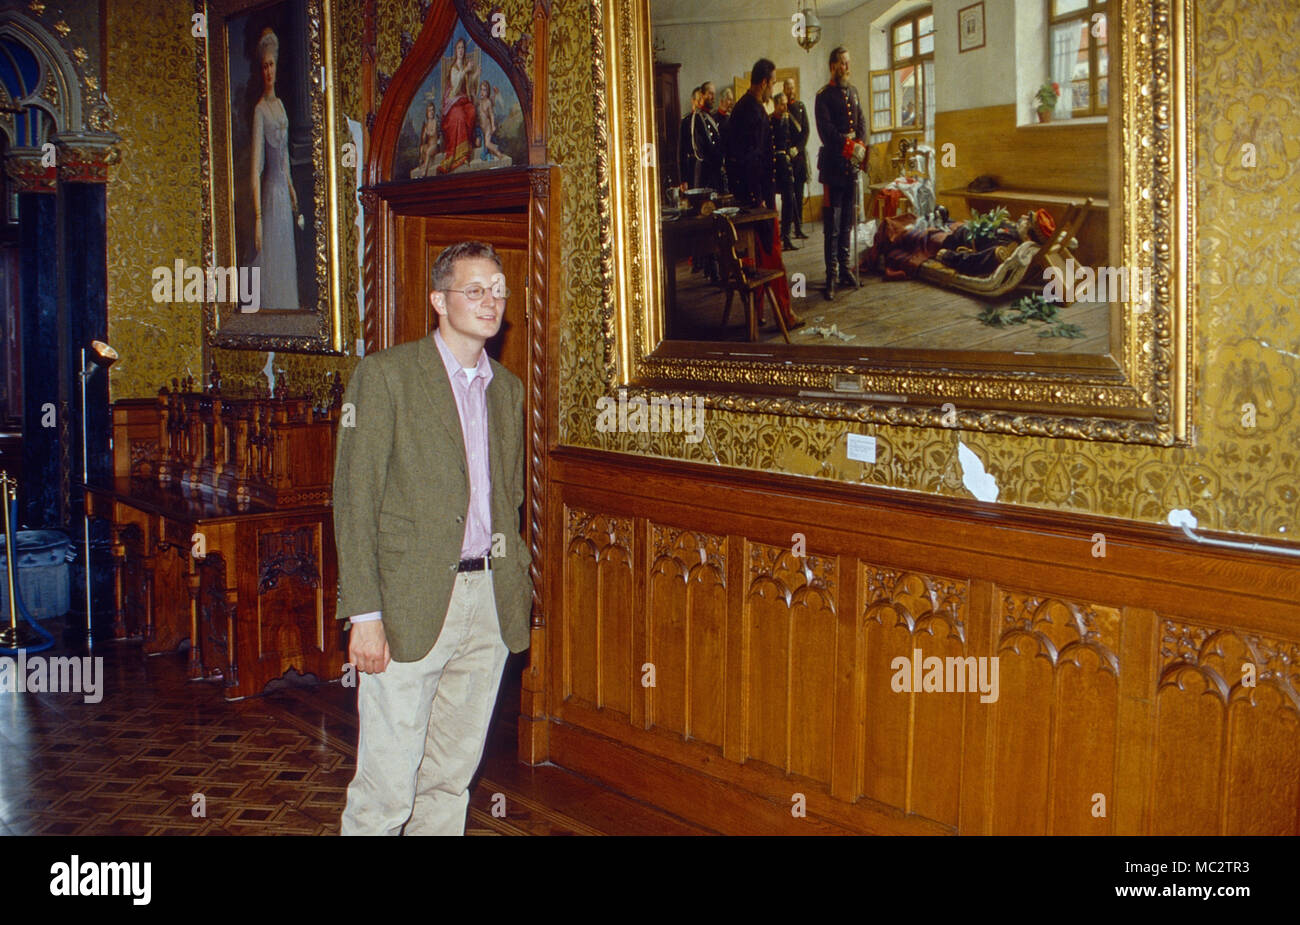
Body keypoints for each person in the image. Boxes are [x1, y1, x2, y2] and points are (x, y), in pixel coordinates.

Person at [334, 240, 533, 836]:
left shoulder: (509, 390)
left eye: (498, 290)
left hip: (488, 604)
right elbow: (354, 501)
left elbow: (511, 502)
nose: (491, 301)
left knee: (449, 780)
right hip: (407, 603)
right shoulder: (387, 376)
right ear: (438, 301)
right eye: (475, 290)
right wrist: (363, 614)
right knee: (387, 788)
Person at [250, 27, 300, 310]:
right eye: (264, 66)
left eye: (272, 65)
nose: (269, 71)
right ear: (261, 70)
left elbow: (284, 159)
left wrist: (292, 190)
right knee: (271, 257)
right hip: (269, 194)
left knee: (285, 257)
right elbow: (257, 168)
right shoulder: (260, 110)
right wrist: (257, 217)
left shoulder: (280, 107)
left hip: (283, 194)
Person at [815, 45, 865, 300]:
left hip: (851, 169)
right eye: (843, 63)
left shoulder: (854, 92)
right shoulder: (823, 96)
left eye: (848, 62)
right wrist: (851, 147)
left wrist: (862, 147)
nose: (847, 67)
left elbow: (861, 123)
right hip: (833, 168)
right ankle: (830, 276)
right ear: (833, 66)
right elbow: (827, 133)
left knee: (847, 222)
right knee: (832, 227)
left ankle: (845, 269)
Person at [438, 38, 479, 174]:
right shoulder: (454, 69)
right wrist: (465, 70)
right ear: (455, 51)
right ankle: (459, 156)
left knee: (472, 111)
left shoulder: (464, 67)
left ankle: (466, 149)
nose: (461, 50)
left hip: (463, 101)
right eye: (458, 48)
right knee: (459, 117)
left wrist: (475, 74)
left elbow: (468, 86)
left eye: (462, 48)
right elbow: (455, 89)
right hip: (453, 103)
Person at [783, 78, 810, 239]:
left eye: (792, 87)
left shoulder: (800, 107)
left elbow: (806, 131)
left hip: (799, 157)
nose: (790, 89)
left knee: (799, 194)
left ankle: (799, 228)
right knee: (789, 194)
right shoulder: (781, 108)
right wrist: (788, 150)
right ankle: (787, 229)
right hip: (787, 158)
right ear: (784, 88)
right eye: (787, 86)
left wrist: (798, 148)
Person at [771, 92, 799, 251]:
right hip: (774, 166)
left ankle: (787, 236)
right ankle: (774, 238)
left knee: (789, 200)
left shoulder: (789, 121)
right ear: (775, 105)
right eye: (781, 104)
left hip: (787, 165)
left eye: (785, 103)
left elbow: (800, 134)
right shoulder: (769, 121)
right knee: (772, 203)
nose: (785, 107)